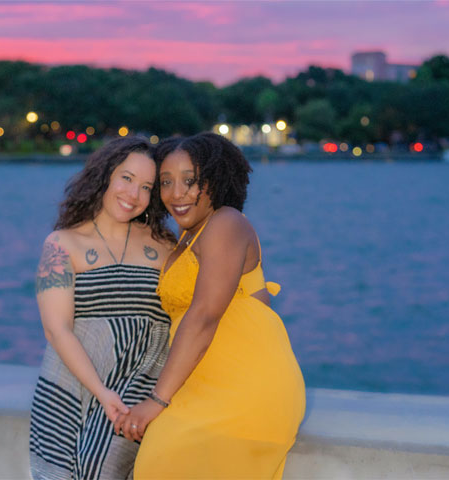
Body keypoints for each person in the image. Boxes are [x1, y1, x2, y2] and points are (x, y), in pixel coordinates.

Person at [115, 132, 306, 479]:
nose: (176, 194)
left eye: (191, 181)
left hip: (243, 389)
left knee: (159, 462)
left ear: (216, 180)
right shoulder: (186, 238)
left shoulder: (226, 223)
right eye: (165, 182)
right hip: (197, 388)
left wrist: (156, 401)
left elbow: (204, 315)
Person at [29, 137, 175, 480]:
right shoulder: (63, 244)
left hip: (142, 393)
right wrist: (102, 392)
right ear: (104, 176)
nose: (133, 194)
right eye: (126, 178)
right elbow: (57, 329)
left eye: (146, 187)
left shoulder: (165, 246)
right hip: (74, 392)